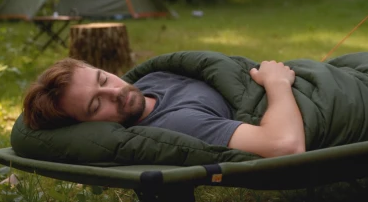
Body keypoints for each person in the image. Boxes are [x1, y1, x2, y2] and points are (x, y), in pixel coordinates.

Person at [22, 58, 306, 158]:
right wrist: (277, 83)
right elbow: (285, 146)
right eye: (96, 105)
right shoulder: (177, 125)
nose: (115, 92)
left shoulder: (152, 78)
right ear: (87, 126)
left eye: (103, 78)